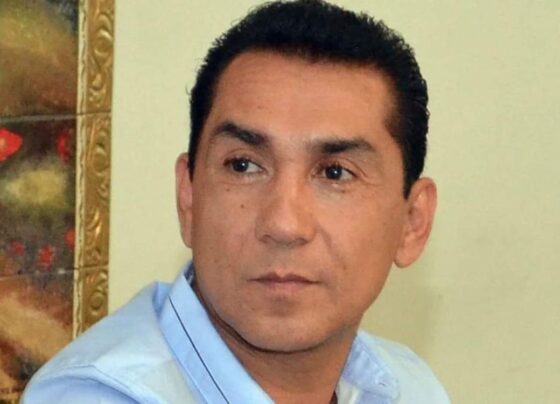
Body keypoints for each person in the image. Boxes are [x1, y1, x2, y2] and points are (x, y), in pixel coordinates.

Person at [23, 1, 448, 402]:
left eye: (335, 173)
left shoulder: (406, 386)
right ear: (188, 198)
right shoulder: (97, 395)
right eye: (243, 166)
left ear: (412, 222)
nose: (284, 224)